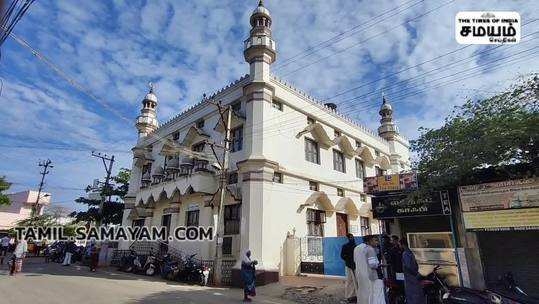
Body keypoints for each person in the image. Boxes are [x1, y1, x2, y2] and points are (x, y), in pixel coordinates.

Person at [354, 235, 385, 304]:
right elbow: (373, 265)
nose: (377, 242)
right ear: (369, 241)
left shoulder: (356, 248)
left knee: (362, 291)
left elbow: (355, 260)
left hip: (359, 275)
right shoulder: (370, 249)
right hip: (370, 276)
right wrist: (381, 265)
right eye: (375, 240)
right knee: (374, 294)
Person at [400, 239, 425, 304]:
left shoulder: (406, 253)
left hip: (411, 278)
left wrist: (415, 275)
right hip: (416, 277)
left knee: (412, 296)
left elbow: (409, 267)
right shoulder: (414, 252)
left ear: (403, 245)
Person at [341, 233, 357, 303]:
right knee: (349, 281)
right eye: (350, 237)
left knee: (355, 281)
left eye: (352, 237)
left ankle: (355, 295)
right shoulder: (345, 246)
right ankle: (348, 296)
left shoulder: (355, 246)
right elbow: (342, 255)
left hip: (355, 265)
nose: (352, 238)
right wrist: (348, 261)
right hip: (349, 266)